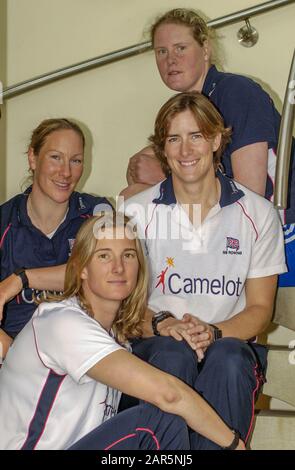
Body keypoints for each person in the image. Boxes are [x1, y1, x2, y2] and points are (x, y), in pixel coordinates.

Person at [122, 91, 287, 449]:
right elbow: (120, 304)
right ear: (162, 148)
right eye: (174, 139)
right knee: (171, 354)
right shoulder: (136, 212)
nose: (185, 150)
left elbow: (260, 309)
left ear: (215, 140)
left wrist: (211, 332)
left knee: (227, 357)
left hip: (228, 346)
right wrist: (165, 324)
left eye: (196, 136)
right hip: (157, 344)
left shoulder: (257, 213)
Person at [0, 212, 245, 450]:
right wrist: (234, 443)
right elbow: (170, 395)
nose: (118, 267)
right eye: (104, 256)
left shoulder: (117, 338)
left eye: (128, 255)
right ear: (81, 268)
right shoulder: (62, 323)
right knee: (156, 421)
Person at [123, 7, 295, 286]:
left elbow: (249, 194)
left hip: (280, 229)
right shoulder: (188, 110)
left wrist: (166, 176)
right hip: (229, 228)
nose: (171, 60)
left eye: (180, 47)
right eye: (161, 51)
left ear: (205, 49)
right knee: (132, 200)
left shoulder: (237, 92)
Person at [0, 118, 111, 360]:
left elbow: (105, 273)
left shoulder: (96, 212)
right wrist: (10, 352)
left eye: (76, 160)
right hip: (14, 357)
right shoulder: (4, 221)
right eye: (55, 157)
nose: (66, 172)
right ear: (32, 158)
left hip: (84, 354)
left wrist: (21, 280)